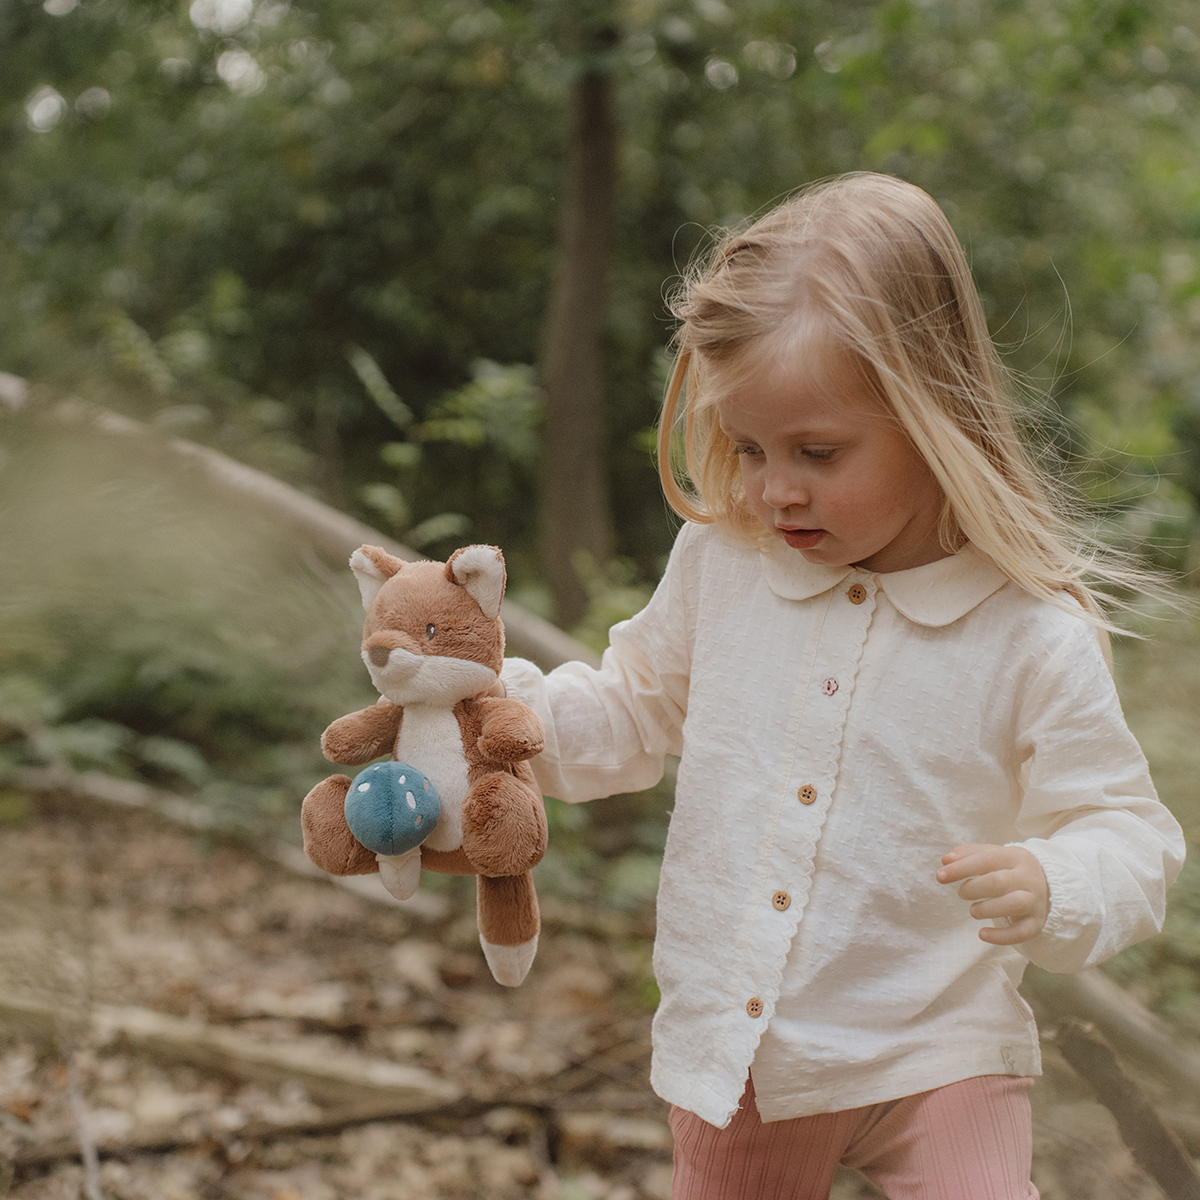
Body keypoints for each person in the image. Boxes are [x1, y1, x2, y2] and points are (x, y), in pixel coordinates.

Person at [500, 172, 1186, 1199]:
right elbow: (636, 707)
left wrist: (1059, 881)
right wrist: (510, 721)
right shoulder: (724, 563)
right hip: (749, 1050)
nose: (774, 487)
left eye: (818, 452)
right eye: (749, 448)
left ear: (931, 412)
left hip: (940, 1045)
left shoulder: (1030, 632)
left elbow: (1130, 833)